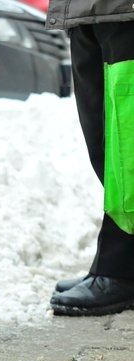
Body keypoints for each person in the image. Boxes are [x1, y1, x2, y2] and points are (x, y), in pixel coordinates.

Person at [46, 1, 134, 316]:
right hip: (87, 10)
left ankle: (120, 269)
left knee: (128, 148)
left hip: (125, 13)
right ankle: (116, 264)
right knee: (106, 148)